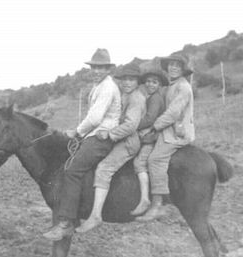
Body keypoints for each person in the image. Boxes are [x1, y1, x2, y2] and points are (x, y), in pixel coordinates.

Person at [43, 48, 121, 241]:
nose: (96, 70)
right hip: (93, 134)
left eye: (101, 67)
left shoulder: (107, 87)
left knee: (72, 171)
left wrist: (77, 132)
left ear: (108, 69)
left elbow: (94, 118)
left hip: (101, 137)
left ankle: (66, 223)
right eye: (94, 67)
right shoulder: (98, 86)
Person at [76, 62, 147, 233]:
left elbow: (130, 125)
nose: (127, 83)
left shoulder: (137, 98)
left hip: (128, 142)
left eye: (131, 80)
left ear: (138, 82)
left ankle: (96, 215)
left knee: (103, 169)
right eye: (124, 79)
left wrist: (110, 134)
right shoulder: (124, 94)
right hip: (120, 139)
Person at [136, 53, 195, 222]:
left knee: (155, 159)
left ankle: (157, 205)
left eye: (177, 65)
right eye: (171, 64)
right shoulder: (171, 85)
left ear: (183, 69)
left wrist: (154, 127)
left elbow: (173, 113)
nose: (173, 67)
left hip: (177, 132)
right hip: (168, 128)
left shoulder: (184, 87)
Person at [130, 64, 168, 216]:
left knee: (139, 163)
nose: (150, 84)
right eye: (148, 81)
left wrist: (132, 125)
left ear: (159, 85)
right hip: (148, 134)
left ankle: (145, 199)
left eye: (154, 82)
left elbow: (150, 118)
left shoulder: (155, 99)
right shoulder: (150, 97)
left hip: (151, 137)